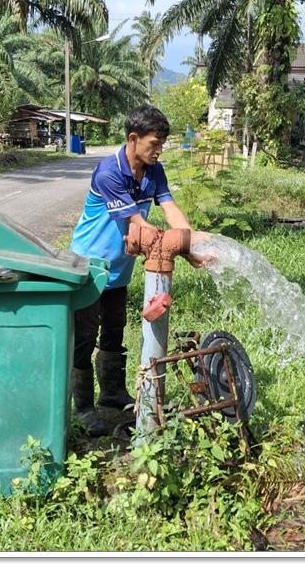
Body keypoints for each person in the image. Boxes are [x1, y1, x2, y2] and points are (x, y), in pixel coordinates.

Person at [68, 104, 205, 436]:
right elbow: (136, 225)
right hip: (88, 268)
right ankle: (83, 407)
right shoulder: (108, 172)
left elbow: (171, 209)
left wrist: (192, 245)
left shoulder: (154, 170)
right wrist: (178, 249)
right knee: (84, 337)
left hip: (118, 272)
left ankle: (112, 393)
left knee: (115, 329)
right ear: (133, 138)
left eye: (161, 145)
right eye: (154, 144)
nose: (159, 151)